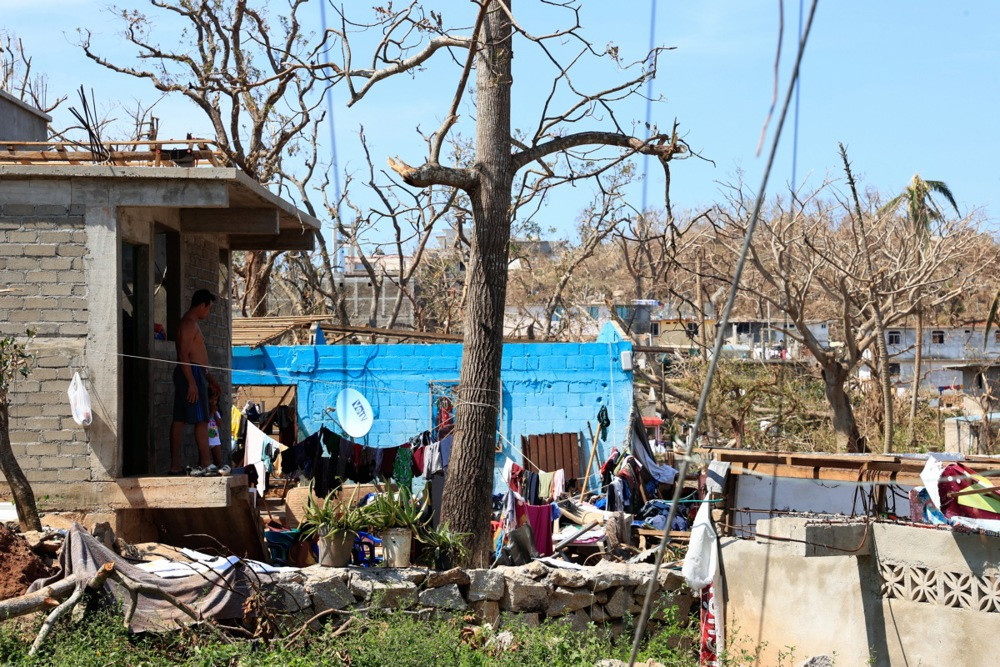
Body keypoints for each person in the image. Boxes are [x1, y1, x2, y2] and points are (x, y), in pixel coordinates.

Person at [168, 289, 222, 476]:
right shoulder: (188, 324)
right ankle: (206, 463)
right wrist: (192, 382)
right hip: (190, 373)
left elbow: (198, 356)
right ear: (202, 305)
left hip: (198, 373)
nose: (208, 312)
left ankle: (177, 465)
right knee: (202, 419)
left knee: (180, 418)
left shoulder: (193, 324)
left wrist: (210, 379)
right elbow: (183, 355)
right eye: (209, 308)